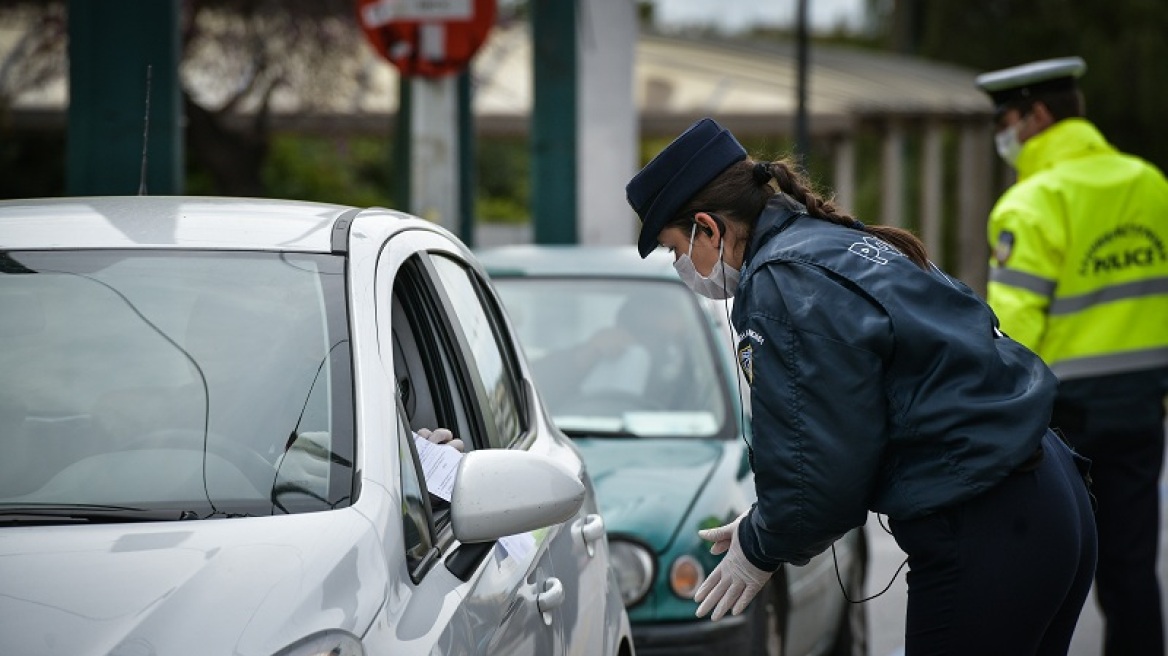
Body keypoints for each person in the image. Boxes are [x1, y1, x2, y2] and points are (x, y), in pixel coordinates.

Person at [625, 117, 1098, 654]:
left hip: (990, 524)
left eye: (675, 249)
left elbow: (821, 471)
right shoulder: (834, 243)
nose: (683, 266)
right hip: (1046, 496)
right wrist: (768, 522)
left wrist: (760, 543)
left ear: (706, 228)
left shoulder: (781, 281)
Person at [975, 56, 1168, 656]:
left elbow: (1012, 336)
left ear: (1037, 115)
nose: (1001, 136)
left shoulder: (1031, 203)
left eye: (1006, 120)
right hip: (1142, 408)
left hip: (1064, 424)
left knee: (1040, 576)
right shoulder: (1150, 184)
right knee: (1131, 573)